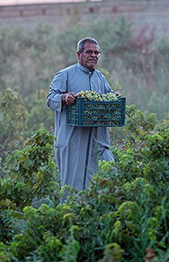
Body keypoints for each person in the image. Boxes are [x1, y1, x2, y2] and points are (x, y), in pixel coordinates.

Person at [47, 37, 117, 202]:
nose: (93, 55)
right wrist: (64, 97)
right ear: (79, 55)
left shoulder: (100, 78)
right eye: (89, 52)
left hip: (97, 140)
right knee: (74, 188)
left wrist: (114, 97)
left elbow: (110, 95)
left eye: (96, 52)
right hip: (73, 141)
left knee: (108, 174)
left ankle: (101, 219)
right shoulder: (65, 74)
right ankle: (69, 222)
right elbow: (50, 99)